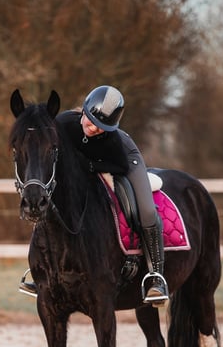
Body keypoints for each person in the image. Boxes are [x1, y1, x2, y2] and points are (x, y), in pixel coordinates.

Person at [19, 85, 168, 304]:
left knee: (146, 210)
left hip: (124, 161)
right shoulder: (62, 124)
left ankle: (156, 275)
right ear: (84, 113)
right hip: (89, 165)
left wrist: (85, 165)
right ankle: (41, 269)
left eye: (101, 127)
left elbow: (118, 166)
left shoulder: (113, 140)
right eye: (90, 121)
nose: (94, 128)